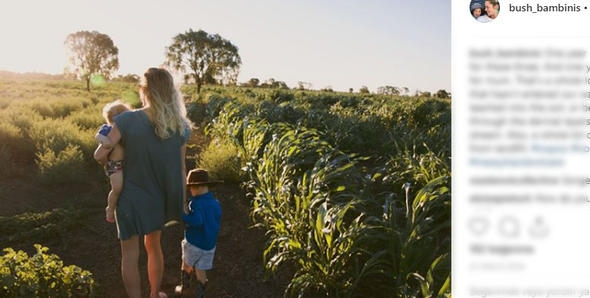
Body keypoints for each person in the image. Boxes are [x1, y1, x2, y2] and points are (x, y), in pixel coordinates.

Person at [94, 67, 192, 298]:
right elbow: (181, 169)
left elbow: (100, 155)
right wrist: (182, 202)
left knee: (129, 255)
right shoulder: (180, 126)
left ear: (143, 90)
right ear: (171, 91)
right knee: (154, 248)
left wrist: (111, 158)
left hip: (128, 199)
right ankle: (154, 293)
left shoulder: (126, 120)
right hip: (157, 199)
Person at [174, 168, 222, 298]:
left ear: (198, 187)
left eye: (191, 188)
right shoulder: (216, 204)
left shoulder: (196, 204)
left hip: (194, 242)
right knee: (201, 268)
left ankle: (184, 287)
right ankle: (200, 292)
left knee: (187, 263)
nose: (190, 191)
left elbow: (197, 221)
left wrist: (184, 216)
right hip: (209, 245)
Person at [94, 100, 131, 223]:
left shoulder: (128, 131)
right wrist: (103, 139)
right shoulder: (108, 129)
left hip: (127, 164)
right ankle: (110, 208)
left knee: (125, 188)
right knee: (117, 188)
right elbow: (98, 136)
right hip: (115, 165)